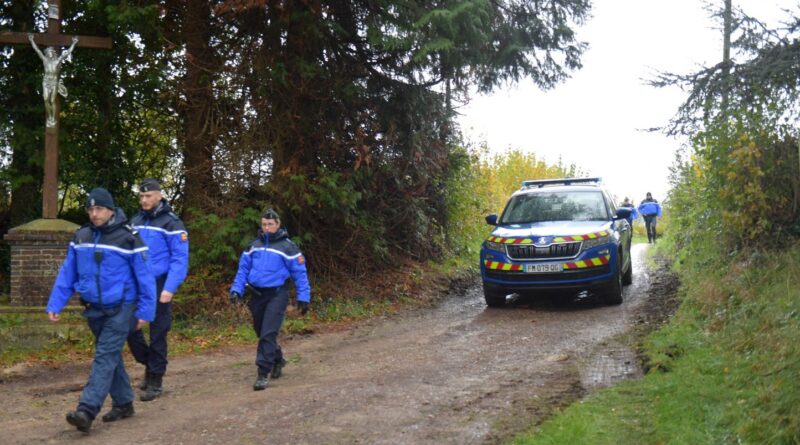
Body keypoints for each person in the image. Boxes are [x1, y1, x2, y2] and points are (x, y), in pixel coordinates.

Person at [46, 188, 157, 432]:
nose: (95, 214)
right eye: (91, 209)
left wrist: (146, 311)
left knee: (105, 355)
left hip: (122, 307)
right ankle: (124, 402)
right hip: (93, 308)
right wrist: (56, 303)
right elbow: (68, 272)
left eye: (99, 209)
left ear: (111, 210)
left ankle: (87, 409)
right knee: (111, 356)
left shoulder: (129, 238)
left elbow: (145, 277)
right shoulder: (81, 236)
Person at [229, 208, 311, 391]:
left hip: (277, 294)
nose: (267, 227)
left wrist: (303, 297)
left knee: (268, 333)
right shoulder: (253, 246)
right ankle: (278, 359)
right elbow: (242, 270)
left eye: (271, 224)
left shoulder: (288, 247)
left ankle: (262, 373)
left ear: (278, 225)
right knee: (261, 331)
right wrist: (236, 290)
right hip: (256, 295)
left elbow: (300, 274)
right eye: (264, 224)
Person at [126, 179, 189, 401]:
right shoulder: (134, 221)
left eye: (148, 196)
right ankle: (149, 362)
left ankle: (155, 379)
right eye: (141, 197)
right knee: (130, 328)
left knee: (158, 332)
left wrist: (170, 288)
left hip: (160, 282)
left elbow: (180, 259)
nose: (144, 200)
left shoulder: (172, 223)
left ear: (159, 196)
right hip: (136, 283)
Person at [28, 34, 79, 128]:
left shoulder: (57, 60)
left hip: (54, 82)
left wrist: (74, 43)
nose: (50, 53)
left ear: (53, 53)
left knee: (52, 100)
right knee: (46, 99)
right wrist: (31, 41)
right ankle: (50, 117)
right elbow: (37, 50)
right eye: (48, 52)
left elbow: (67, 52)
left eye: (51, 52)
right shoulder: (44, 60)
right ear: (47, 54)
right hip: (46, 81)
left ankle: (52, 118)